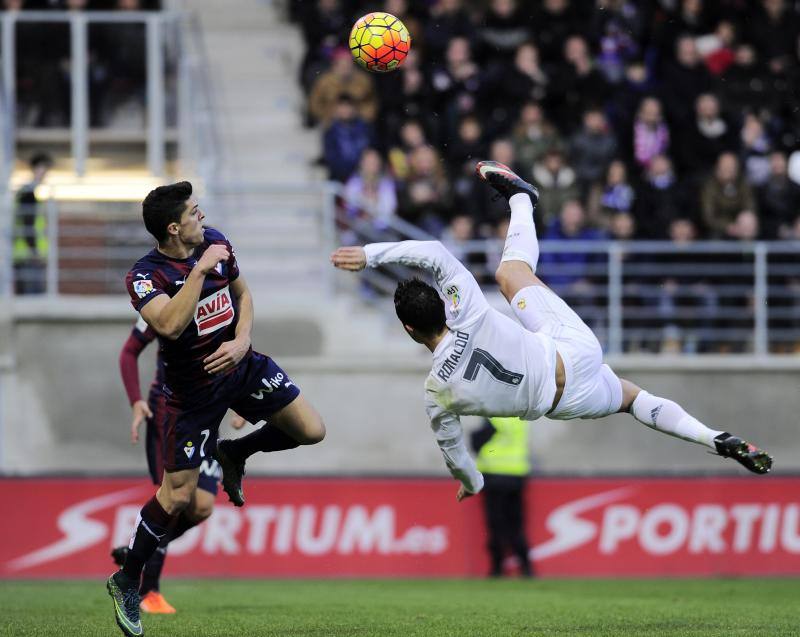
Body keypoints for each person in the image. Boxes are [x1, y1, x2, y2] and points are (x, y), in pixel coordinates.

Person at [330, 161, 772, 503]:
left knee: (633, 400)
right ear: (443, 306)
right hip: (569, 352)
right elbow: (432, 252)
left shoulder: (436, 391)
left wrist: (473, 481)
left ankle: (712, 437)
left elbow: (453, 451)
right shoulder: (466, 312)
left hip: (566, 402)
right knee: (509, 271)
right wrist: (370, 254)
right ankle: (522, 200)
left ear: (408, 329)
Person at [108, 182, 325, 637]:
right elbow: (168, 324)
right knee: (178, 497)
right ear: (173, 227)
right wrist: (199, 272)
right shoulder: (144, 276)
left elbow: (244, 296)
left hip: (242, 367)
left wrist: (242, 338)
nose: (202, 216)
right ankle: (128, 580)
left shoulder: (216, 242)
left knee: (311, 429)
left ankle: (236, 453)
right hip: (190, 395)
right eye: (193, 212)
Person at [110, 315, 246, 614]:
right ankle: (147, 593)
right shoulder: (165, 303)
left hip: (208, 412)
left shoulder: (222, 300)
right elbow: (129, 351)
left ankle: (137, 552)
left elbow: (234, 355)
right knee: (175, 498)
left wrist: (244, 401)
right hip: (169, 412)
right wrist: (136, 400)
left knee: (202, 506)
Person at [470, 416, 532, 578]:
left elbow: (477, 443)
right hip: (517, 476)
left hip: (495, 476)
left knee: (496, 525)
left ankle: (497, 568)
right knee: (516, 525)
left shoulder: (494, 417)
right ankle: (526, 567)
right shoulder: (520, 417)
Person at [13, 153, 52, 295]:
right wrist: (35, 251)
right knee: (32, 297)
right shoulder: (28, 194)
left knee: (27, 296)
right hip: (29, 256)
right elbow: (27, 224)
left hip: (23, 254)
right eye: (44, 170)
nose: (45, 175)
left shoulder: (26, 193)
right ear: (37, 169)